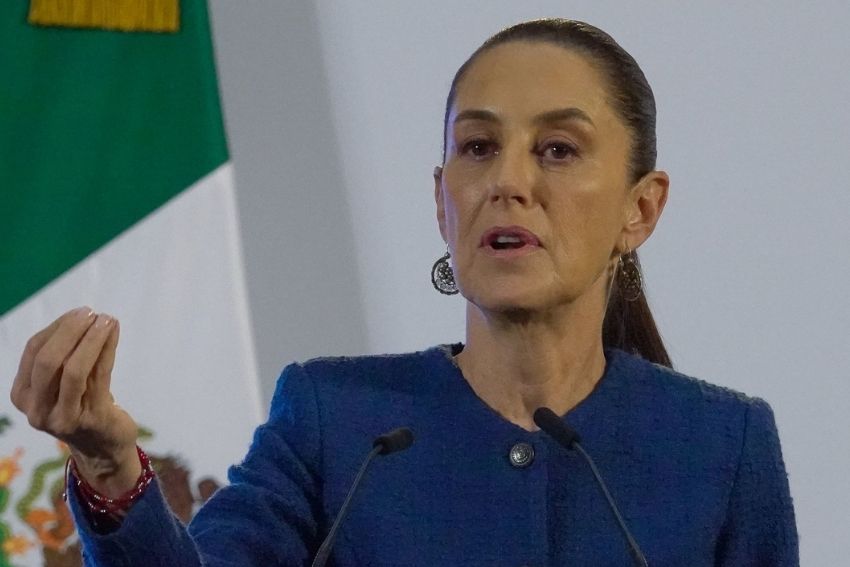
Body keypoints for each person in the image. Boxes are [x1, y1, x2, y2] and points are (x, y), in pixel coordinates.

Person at [9, 18, 798, 566]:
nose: (509, 182)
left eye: (557, 149)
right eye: (478, 147)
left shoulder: (723, 446)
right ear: (440, 198)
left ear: (642, 207)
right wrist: (112, 465)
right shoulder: (335, 421)